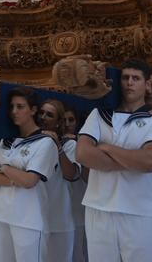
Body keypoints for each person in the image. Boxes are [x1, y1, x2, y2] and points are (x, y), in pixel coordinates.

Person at [76, 58, 152, 262]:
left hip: (139, 210)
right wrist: (132, 160)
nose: (129, 82)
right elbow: (83, 154)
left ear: (146, 84)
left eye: (136, 78)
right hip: (98, 209)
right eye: (125, 78)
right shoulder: (98, 115)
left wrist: (106, 148)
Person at [0, 87, 58, 262]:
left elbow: (30, 180)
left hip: (28, 217)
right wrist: (14, 178)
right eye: (12, 107)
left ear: (33, 110)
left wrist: (6, 168)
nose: (14, 112)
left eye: (20, 106)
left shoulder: (45, 142)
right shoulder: (7, 141)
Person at [38, 99, 78, 262]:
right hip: (36, 220)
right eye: (41, 113)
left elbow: (71, 174)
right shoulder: (31, 142)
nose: (43, 117)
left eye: (49, 115)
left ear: (58, 122)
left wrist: (57, 146)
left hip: (59, 220)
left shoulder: (69, 145)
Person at [63, 105, 88, 262]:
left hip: (77, 210)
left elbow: (74, 175)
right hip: (60, 211)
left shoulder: (78, 145)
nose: (66, 124)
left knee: (78, 254)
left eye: (70, 120)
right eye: (63, 120)